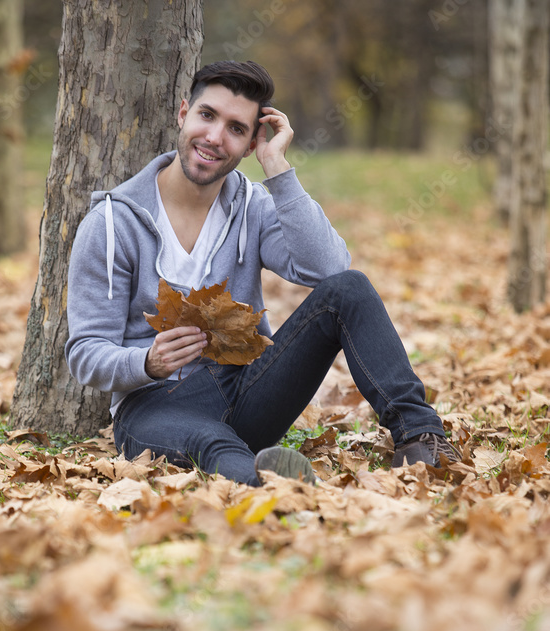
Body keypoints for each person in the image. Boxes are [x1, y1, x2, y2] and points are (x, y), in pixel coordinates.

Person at [66, 60, 459, 487]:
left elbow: (328, 267)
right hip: (154, 404)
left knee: (349, 289)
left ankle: (422, 440)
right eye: (207, 115)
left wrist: (278, 169)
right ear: (183, 113)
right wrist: (147, 362)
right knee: (210, 442)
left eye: (236, 129)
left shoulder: (251, 207)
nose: (214, 137)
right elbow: (85, 351)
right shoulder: (112, 223)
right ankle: (283, 488)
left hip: (248, 386)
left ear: (251, 144)